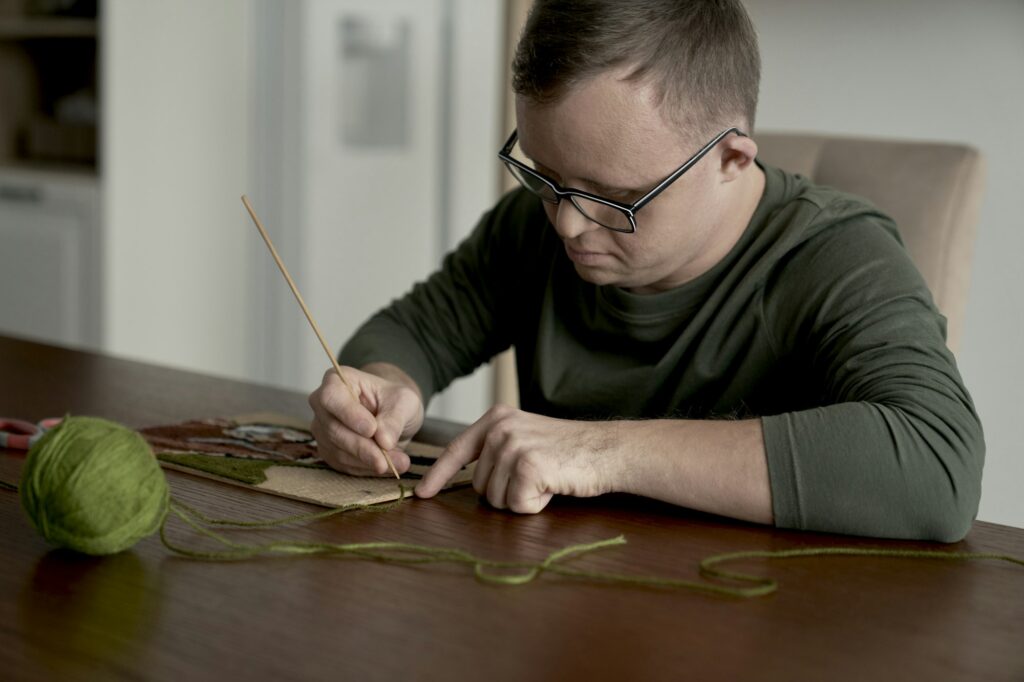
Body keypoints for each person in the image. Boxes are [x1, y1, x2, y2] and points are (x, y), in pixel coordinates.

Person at [308, 0, 984, 542]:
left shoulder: (838, 255)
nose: (568, 223)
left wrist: (604, 452)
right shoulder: (529, 231)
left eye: (615, 198)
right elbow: (409, 336)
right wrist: (378, 395)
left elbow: (935, 465)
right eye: (544, 176)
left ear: (733, 160)